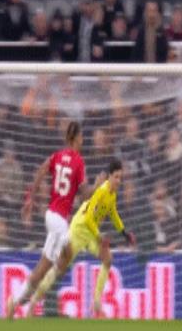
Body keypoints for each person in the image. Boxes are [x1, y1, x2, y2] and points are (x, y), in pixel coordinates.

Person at [27, 159, 136, 318]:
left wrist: (124, 233)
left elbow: (113, 213)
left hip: (91, 233)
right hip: (79, 230)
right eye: (116, 177)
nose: (119, 181)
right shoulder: (101, 191)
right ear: (109, 177)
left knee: (108, 259)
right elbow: (88, 218)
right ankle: (33, 302)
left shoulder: (112, 194)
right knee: (59, 268)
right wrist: (99, 236)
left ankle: (96, 305)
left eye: (121, 177)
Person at [7, 122, 88, 319]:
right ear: (76, 138)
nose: (83, 140)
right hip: (58, 220)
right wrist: (99, 185)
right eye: (81, 136)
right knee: (44, 267)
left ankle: (33, 297)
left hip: (53, 215)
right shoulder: (78, 162)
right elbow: (85, 193)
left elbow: (41, 171)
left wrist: (30, 198)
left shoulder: (57, 156)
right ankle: (17, 301)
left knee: (67, 254)